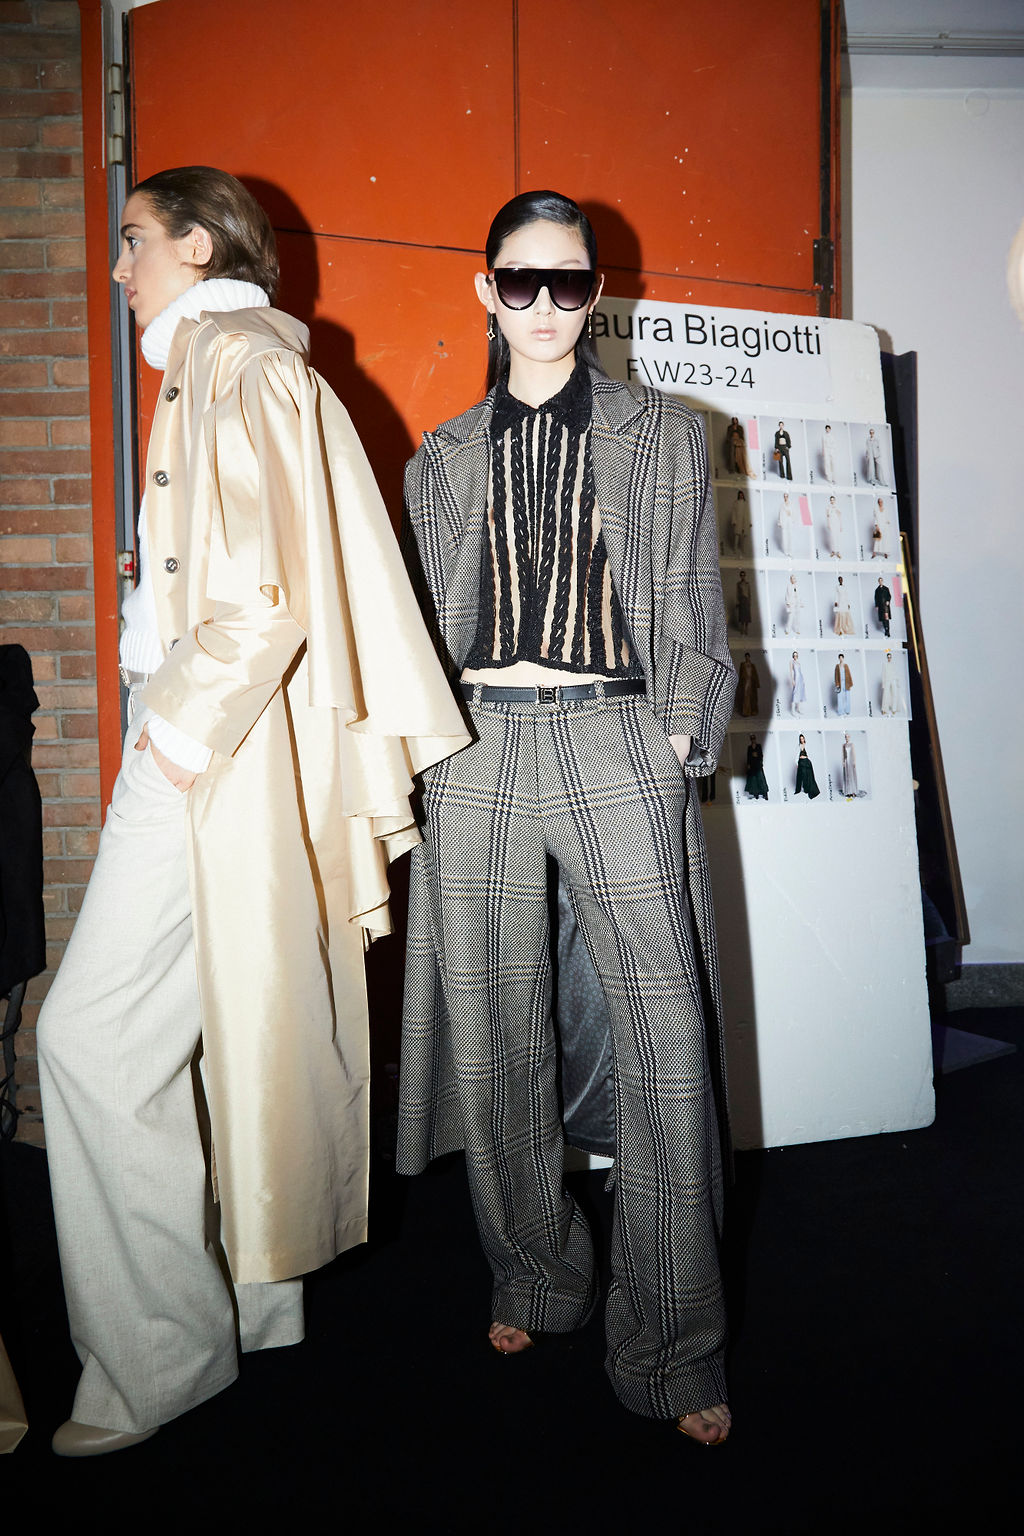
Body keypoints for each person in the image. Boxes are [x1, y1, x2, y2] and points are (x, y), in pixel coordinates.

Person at [35, 166, 469, 1456]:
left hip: (201, 756)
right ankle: (248, 1309)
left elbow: (263, 601)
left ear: (197, 243)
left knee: (86, 1041)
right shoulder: (234, 361)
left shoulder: (230, 359)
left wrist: (169, 745)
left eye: (133, 240)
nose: (119, 268)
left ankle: (161, 1358)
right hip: (225, 753)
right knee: (226, 1019)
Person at [396, 190, 736, 1445]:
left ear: (598, 295)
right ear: (485, 291)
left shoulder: (665, 435)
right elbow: (418, 625)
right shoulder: (439, 456)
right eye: (520, 282)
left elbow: (692, 602)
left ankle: (672, 1343)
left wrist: (675, 738)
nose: (545, 306)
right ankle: (534, 1275)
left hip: (615, 735)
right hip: (477, 747)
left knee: (665, 1041)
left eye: (570, 283)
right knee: (494, 1032)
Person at [794, 734, 820, 799]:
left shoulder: (807, 745)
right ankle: (805, 788)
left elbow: (810, 754)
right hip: (801, 763)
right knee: (803, 776)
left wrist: (808, 760)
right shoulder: (798, 746)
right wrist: (797, 763)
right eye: (800, 739)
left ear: (804, 739)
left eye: (802, 738)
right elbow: (796, 756)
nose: (802, 740)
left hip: (807, 762)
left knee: (809, 776)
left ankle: (808, 788)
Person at [744, 733, 769, 799]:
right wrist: (748, 764)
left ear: (755, 739)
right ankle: (756, 793)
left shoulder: (758, 746)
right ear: (750, 740)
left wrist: (757, 755)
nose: (753, 740)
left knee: (761, 779)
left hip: (758, 765)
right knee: (754, 780)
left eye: (754, 738)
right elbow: (748, 757)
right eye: (752, 739)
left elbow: (761, 755)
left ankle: (765, 793)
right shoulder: (749, 747)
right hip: (752, 765)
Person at [881, 649, 905, 716]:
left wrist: (897, 682)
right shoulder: (884, 664)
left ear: (891, 657)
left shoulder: (894, 664)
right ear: (887, 658)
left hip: (893, 679)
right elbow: (883, 674)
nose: (889, 658)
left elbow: (896, 673)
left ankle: (894, 709)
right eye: (888, 657)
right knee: (886, 694)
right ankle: (884, 709)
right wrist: (883, 683)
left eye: (890, 657)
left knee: (895, 694)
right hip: (887, 680)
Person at [737, 650, 760, 716]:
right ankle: (746, 712)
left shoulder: (753, 665)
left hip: (752, 682)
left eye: (748, 657)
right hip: (745, 682)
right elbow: (740, 674)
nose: (747, 658)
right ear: (745, 657)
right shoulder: (742, 664)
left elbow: (755, 674)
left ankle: (753, 711)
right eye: (746, 657)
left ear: (749, 657)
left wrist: (757, 683)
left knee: (752, 696)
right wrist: (740, 683)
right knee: (745, 696)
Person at [777, 490, 796, 556]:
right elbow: (779, 514)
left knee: (790, 536)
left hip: (789, 522)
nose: (785, 497)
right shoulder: (781, 505)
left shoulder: (791, 504)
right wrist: (779, 523)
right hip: (784, 522)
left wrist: (791, 516)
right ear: (783, 497)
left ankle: (790, 551)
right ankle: (786, 551)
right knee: (784, 536)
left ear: (788, 497)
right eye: (784, 496)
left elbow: (793, 513)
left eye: (786, 496)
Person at [735, 568, 752, 635]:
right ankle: (742, 629)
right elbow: (737, 593)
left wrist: (750, 601)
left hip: (747, 600)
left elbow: (749, 593)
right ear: (740, 576)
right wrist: (737, 602)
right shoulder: (738, 584)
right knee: (742, 615)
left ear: (745, 576)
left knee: (747, 615)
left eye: (743, 575)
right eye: (741, 575)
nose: (742, 576)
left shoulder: (747, 584)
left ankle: (746, 629)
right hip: (741, 600)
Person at [788, 650, 806, 715]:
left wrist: (803, 680)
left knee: (799, 693)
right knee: (795, 693)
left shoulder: (798, 663)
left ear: (797, 656)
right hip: (796, 678)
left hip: (800, 679)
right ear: (793, 656)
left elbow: (800, 672)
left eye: (796, 655)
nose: (795, 656)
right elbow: (791, 672)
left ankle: (798, 709)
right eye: (794, 655)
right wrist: (792, 680)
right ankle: (792, 711)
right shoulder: (791, 662)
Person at [826, 494, 843, 558]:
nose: (832, 501)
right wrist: (828, 524)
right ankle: (833, 551)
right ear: (830, 501)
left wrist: (841, 526)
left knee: (838, 537)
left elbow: (839, 516)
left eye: (833, 500)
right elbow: (827, 516)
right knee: (832, 537)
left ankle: (838, 552)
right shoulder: (828, 507)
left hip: (837, 523)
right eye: (831, 500)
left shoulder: (837, 507)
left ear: (835, 500)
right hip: (831, 523)